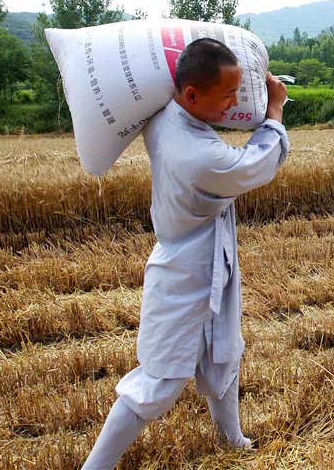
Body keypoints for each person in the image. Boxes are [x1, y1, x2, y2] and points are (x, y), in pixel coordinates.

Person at [80, 38, 290, 469]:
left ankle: (231, 437)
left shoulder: (166, 117)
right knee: (158, 382)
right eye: (227, 95)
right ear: (191, 94)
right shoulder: (202, 157)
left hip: (211, 262)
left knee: (225, 348)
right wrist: (274, 110)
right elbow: (257, 164)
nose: (234, 103)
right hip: (183, 276)